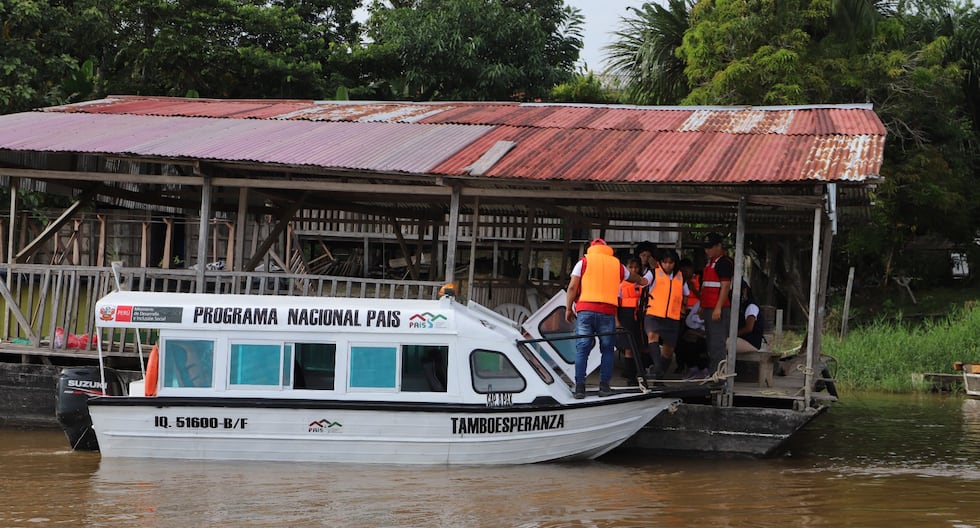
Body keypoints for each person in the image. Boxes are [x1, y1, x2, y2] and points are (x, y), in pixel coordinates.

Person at [566, 239, 648, 398]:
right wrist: (642, 280)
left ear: (592, 249)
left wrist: (568, 308)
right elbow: (632, 277)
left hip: (585, 311)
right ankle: (604, 387)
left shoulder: (583, 262)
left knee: (582, 348)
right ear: (606, 249)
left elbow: (572, 287)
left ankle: (580, 387)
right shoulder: (616, 264)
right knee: (607, 349)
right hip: (607, 312)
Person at [642, 249, 689, 379]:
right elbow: (643, 282)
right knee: (652, 336)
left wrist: (683, 308)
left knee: (668, 351)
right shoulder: (653, 273)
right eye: (665, 262)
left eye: (671, 262)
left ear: (675, 263)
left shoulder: (681, 276)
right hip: (653, 313)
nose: (668, 265)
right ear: (660, 262)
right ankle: (657, 367)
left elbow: (686, 293)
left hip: (673, 317)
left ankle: (659, 376)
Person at [700, 232, 734, 375]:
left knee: (717, 344)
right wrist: (703, 306)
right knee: (710, 343)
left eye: (710, 247)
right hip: (708, 307)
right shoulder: (710, 262)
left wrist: (718, 308)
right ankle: (713, 373)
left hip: (717, 308)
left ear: (719, 246)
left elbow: (725, 286)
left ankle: (718, 377)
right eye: (706, 248)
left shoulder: (724, 262)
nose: (707, 250)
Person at [617, 257, 644, 385]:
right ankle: (630, 377)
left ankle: (639, 373)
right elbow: (615, 303)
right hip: (625, 315)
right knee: (628, 347)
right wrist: (617, 320)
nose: (634, 270)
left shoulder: (643, 283)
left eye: (636, 267)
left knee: (639, 346)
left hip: (639, 316)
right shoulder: (620, 284)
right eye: (630, 267)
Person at [733, 280, 765, 352]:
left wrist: (734, 334)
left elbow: (748, 328)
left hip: (751, 343)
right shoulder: (743, 307)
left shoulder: (751, 307)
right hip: (743, 340)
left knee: (725, 343)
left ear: (745, 291)